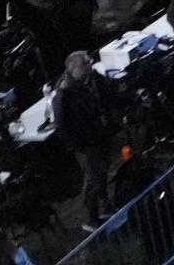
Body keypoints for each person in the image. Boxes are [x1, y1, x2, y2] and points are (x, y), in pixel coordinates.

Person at [52, 50, 117, 230]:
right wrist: (77, 145)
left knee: (101, 172)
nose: (90, 65)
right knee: (92, 178)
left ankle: (105, 205)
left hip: (98, 134)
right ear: (75, 68)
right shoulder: (64, 94)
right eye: (86, 63)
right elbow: (61, 126)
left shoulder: (90, 80)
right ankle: (92, 217)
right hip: (85, 143)